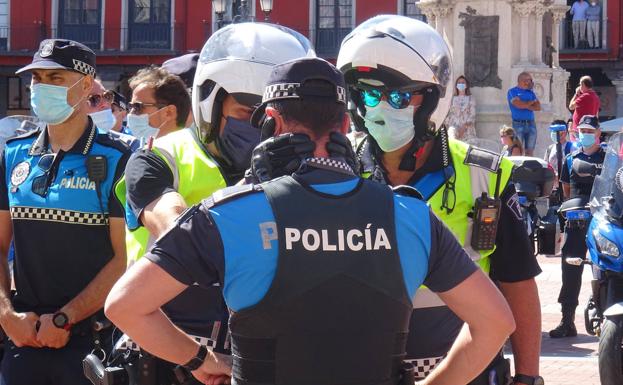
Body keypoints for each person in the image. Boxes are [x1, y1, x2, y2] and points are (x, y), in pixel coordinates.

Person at [105, 56, 515, 385]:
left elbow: (125, 306)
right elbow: (495, 322)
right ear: (343, 127)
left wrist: (198, 359)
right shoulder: (408, 214)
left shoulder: (227, 214)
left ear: (273, 125)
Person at [337, 15, 543, 385]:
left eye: (399, 96)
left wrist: (529, 377)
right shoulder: (339, 170)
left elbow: (518, 281)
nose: (381, 107)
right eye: (369, 94)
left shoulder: (487, 175)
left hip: (467, 370)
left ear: (434, 99)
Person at [113, 23, 315, 384]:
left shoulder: (302, 166)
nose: (262, 131)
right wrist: (253, 186)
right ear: (210, 102)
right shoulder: (159, 159)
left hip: (264, 358)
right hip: (171, 356)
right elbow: (174, 228)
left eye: (272, 119)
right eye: (245, 113)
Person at [0, 39, 130, 385]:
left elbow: (124, 259)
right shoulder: (14, 154)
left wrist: (64, 319)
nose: (42, 87)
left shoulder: (117, 158)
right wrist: (5, 313)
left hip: (92, 342)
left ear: (85, 85)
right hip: (23, 336)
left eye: (56, 78)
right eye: (36, 78)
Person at [550, 114, 605, 338]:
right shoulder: (571, 158)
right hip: (576, 222)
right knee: (570, 270)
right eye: (583, 131)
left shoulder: (608, 159)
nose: (586, 135)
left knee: (604, 271)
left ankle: (606, 320)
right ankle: (567, 321)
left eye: (591, 131)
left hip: (601, 222)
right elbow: (566, 192)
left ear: (599, 133)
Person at [507, 72, 541, 156]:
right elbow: (519, 105)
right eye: (529, 80)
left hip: (531, 123)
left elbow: (538, 107)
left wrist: (526, 104)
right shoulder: (512, 91)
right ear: (522, 80)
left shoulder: (531, 93)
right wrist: (529, 103)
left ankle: (528, 168)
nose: (531, 82)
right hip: (518, 124)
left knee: (530, 151)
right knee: (517, 150)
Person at [445, 75, 476, 141]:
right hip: (454, 129)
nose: (461, 84)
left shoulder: (471, 98)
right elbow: (448, 114)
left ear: (466, 85)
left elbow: (472, 115)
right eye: (459, 83)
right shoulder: (452, 99)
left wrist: (464, 127)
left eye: (463, 82)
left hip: (467, 130)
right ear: (456, 85)